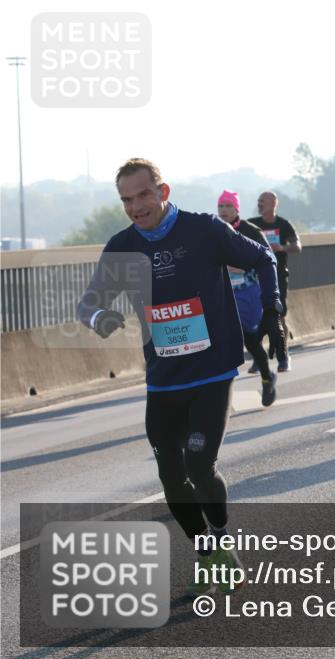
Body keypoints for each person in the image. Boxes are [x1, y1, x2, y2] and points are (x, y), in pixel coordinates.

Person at [78, 158, 283, 595]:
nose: (136, 207)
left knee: (199, 464)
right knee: (170, 474)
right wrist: (101, 317)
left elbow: (263, 258)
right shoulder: (121, 248)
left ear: (163, 191)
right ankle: (208, 551)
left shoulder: (204, 230)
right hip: (163, 377)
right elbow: (88, 303)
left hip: (211, 371)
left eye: (143, 195)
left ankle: (222, 538)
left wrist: (273, 308)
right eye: (126, 200)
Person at [217, 190, 278, 406]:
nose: (223, 211)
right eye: (220, 207)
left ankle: (267, 377)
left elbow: (268, 259)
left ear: (236, 209)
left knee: (250, 340)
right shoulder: (213, 230)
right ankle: (218, 394)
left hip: (249, 292)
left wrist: (243, 264)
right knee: (222, 340)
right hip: (224, 293)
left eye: (228, 207)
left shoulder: (250, 231)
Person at [247, 191, 299, 372]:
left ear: (273, 203)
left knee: (278, 316)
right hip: (256, 277)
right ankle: (258, 358)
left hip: (278, 276)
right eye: (258, 201)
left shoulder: (283, 225)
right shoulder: (252, 224)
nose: (259, 204)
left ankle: (283, 356)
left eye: (262, 201)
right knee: (259, 316)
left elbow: (297, 246)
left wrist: (282, 247)